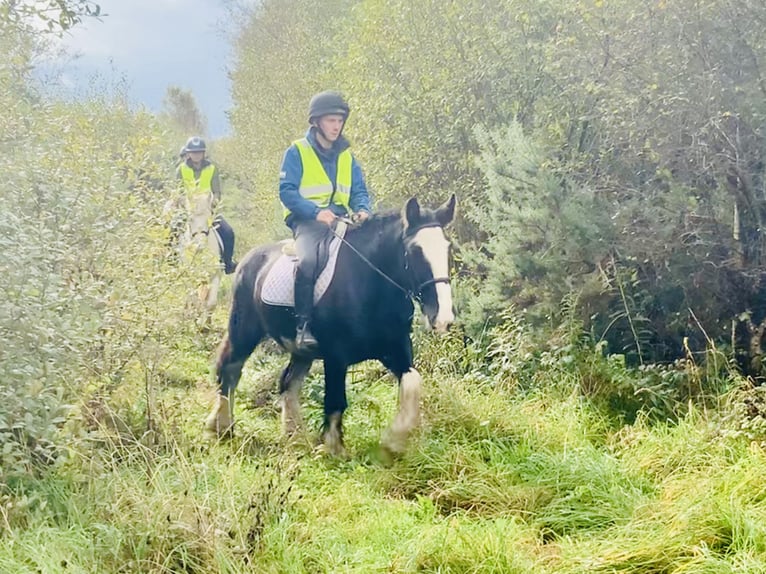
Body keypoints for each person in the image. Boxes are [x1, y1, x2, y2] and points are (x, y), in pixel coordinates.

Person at [279, 90, 372, 350]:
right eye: (331, 120)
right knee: (309, 262)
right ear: (317, 121)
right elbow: (286, 191)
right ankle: (303, 327)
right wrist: (315, 212)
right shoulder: (297, 151)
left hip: (342, 219)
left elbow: (359, 191)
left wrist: (363, 209)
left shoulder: (347, 156)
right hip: (307, 222)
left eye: (340, 120)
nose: (336, 126)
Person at [176, 136, 237, 273]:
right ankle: (170, 264)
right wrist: (183, 205)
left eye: (199, 152)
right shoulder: (181, 169)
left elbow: (216, 192)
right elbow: (178, 191)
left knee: (228, 232)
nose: (196, 155)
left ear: (203, 153)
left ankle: (227, 263)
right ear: (188, 154)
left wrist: (212, 204)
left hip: (206, 210)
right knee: (172, 231)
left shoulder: (212, 169)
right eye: (193, 152)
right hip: (188, 210)